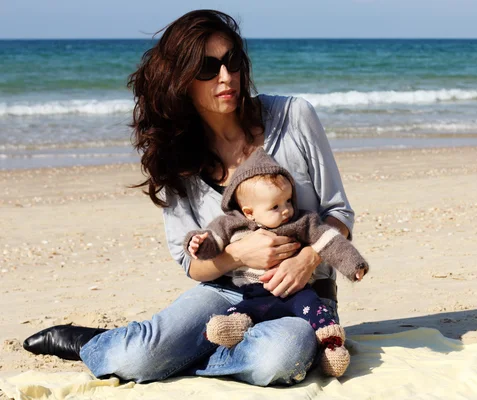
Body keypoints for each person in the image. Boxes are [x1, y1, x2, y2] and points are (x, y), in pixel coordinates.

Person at [22, 9, 356, 386]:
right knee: (137, 357)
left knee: (278, 360)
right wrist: (238, 255)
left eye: (232, 62)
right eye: (207, 69)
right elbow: (191, 264)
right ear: (181, 81)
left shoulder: (294, 116)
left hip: (304, 297)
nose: (226, 77)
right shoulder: (176, 155)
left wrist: (307, 260)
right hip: (223, 295)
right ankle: (103, 343)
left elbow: (339, 211)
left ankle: (172, 353)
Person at [184, 148, 368, 377]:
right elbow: (212, 243)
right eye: (275, 206)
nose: (287, 210)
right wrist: (197, 243)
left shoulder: (302, 221)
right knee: (241, 312)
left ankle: (331, 347)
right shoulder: (231, 224)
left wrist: (353, 264)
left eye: (288, 200)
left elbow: (330, 241)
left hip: (297, 292)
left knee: (317, 313)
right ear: (249, 212)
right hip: (254, 294)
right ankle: (231, 332)